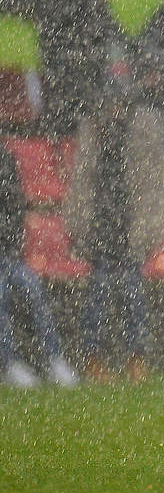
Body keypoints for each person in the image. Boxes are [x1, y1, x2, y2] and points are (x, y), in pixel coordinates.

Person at [66, 61, 164, 383]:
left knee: (132, 294)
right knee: (98, 294)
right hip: (102, 227)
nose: (114, 109)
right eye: (109, 103)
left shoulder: (142, 133)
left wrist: (149, 229)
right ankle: (93, 359)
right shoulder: (93, 135)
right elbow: (80, 186)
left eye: (118, 103)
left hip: (128, 228)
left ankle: (135, 358)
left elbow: (152, 187)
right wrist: (79, 227)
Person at [0, 141, 78, 388]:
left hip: (9, 257)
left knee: (33, 288)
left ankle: (54, 359)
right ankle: (9, 364)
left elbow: (14, 209)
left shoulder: (5, 159)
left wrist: (9, 248)